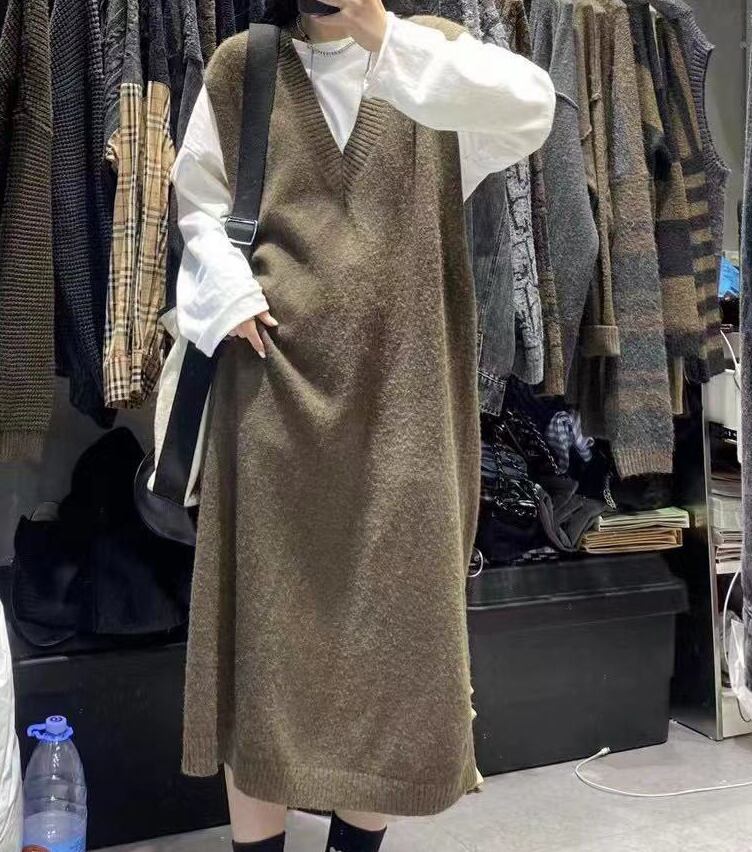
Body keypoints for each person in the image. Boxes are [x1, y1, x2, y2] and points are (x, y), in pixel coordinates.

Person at [171, 0, 555, 848]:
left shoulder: (432, 59)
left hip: (404, 420)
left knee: (394, 652)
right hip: (273, 407)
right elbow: (196, 201)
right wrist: (228, 288)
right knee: (266, 659)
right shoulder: (246, 66)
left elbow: (532, 108)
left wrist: (385, 35)